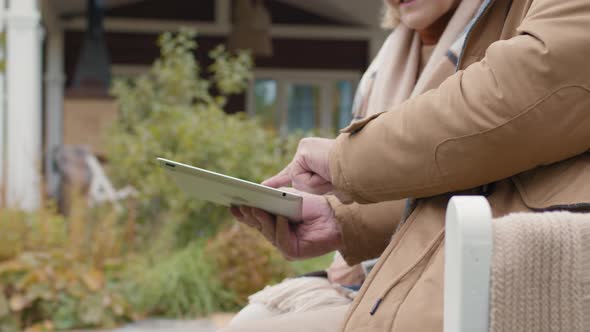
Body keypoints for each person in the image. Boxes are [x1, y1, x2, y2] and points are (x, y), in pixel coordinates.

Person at [225, 0, 590, 331]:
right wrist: (344, 220)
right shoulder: (399, 54)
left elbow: (509, 103)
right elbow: (487, 165)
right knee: (256, 319)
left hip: (512, 281)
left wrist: (344, 159)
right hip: (464, 266)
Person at [227, 0, 484, 326]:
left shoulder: (491, 51)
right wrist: (329, 211)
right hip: (369, 270)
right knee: (254, 317)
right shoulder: (384, 62)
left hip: (442, 271)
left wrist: (343, 219)